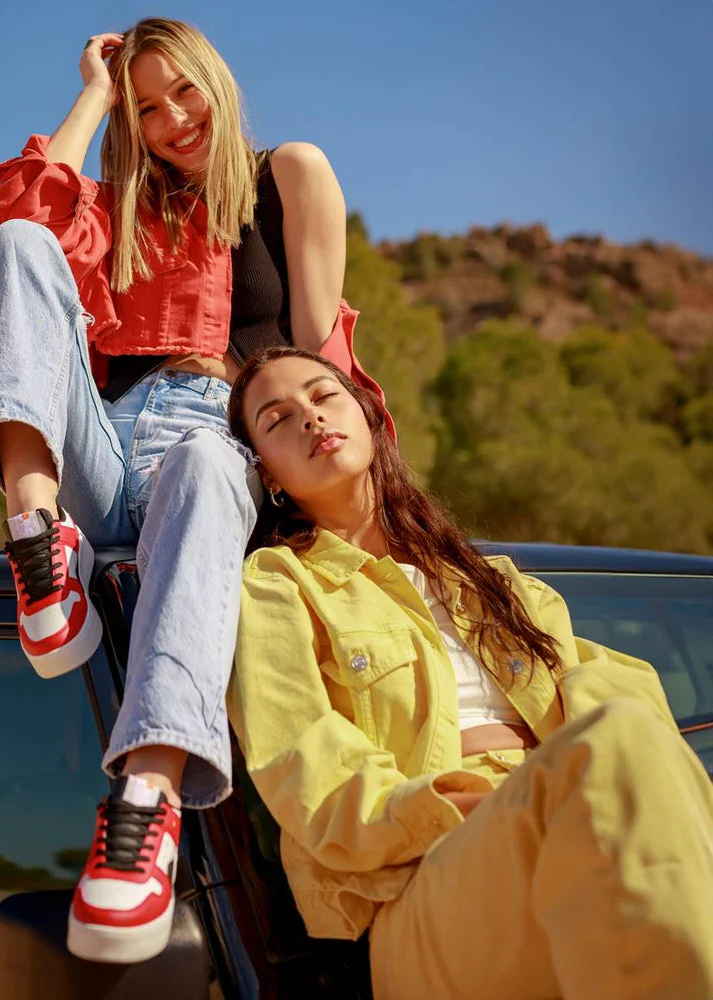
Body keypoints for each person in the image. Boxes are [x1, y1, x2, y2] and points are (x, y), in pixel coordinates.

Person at [0, 18, 378, 963]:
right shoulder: (125, 205)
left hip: (209, 440)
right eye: (147, 107)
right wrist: (96, 92)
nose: (170, 120)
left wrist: (345, 497)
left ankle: (145, 802)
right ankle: (37, 534)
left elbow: (317, 353)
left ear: (217, 79)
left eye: (182, 93)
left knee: (207, 461)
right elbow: (29, 215)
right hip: (94, 450)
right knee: (19, 246)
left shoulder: (284, 176)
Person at [225, 346, 713, 1000]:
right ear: (272, 477)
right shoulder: (279, 585)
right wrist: (499, 806)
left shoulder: (500, 584)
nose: (310, 419)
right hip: (416, 885)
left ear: (371, 417)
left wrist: (558, 788)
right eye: (278, 418)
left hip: (562, 818)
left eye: (323, 396)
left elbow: (613, 689)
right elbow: (306, 766)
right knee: (615, 743)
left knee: (624, 735)